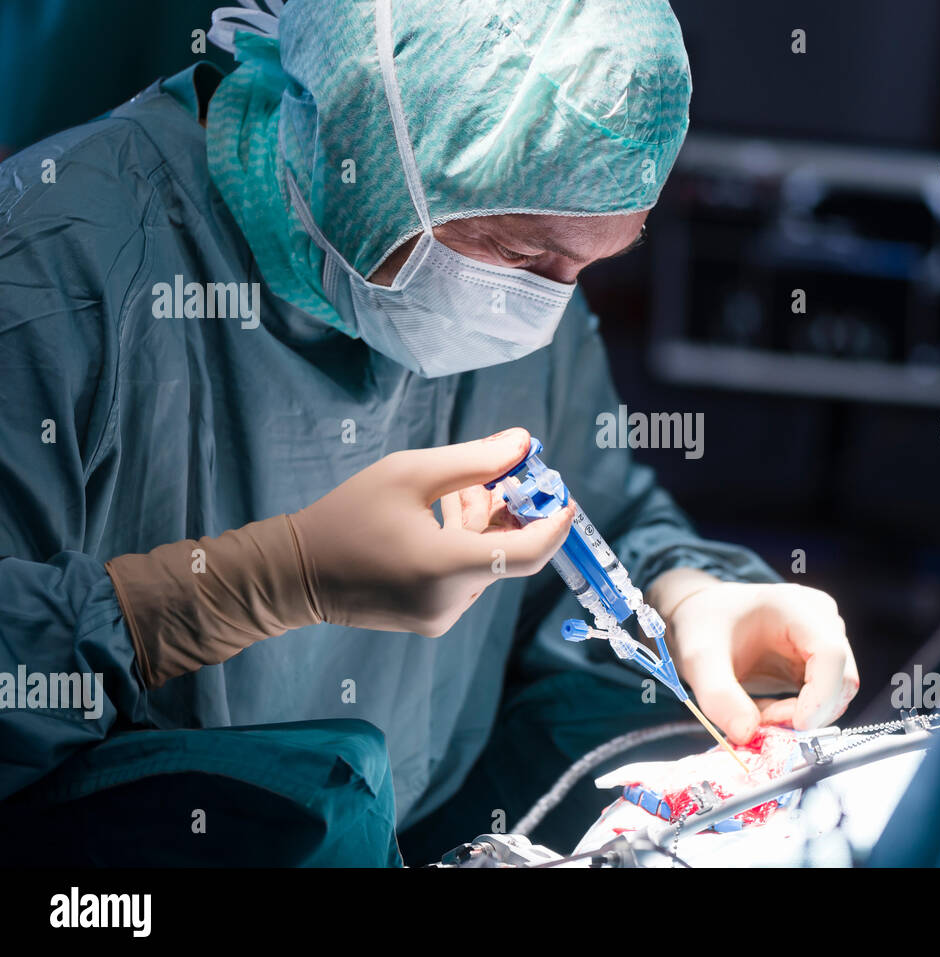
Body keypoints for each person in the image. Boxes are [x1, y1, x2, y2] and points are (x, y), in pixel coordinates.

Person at [0, 0, 857, 861]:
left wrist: (691, 599)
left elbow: (604, 517)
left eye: (588, 266)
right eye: (523, 257)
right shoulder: (56, 265)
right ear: (364, 148)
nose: (548, 306)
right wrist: (257, 584)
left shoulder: (511, 281)